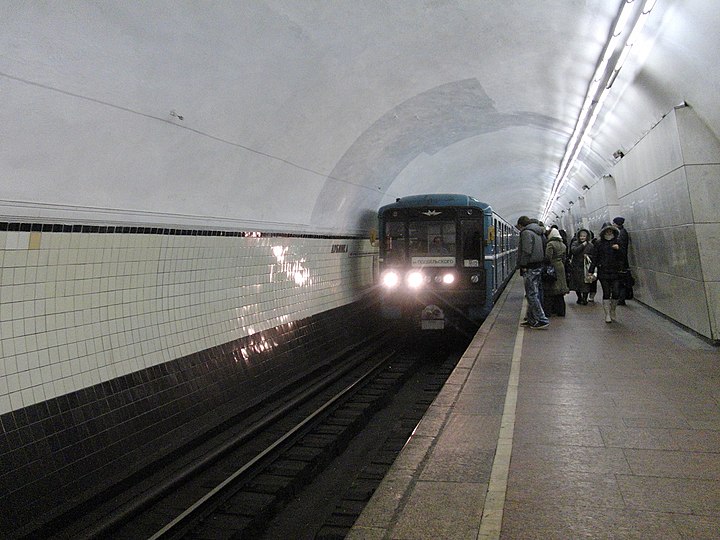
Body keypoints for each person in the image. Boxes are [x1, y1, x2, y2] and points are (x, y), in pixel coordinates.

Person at [516, 216, 550, 329]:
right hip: (538, 265)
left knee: (531, 294)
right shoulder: (538, 232)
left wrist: (523, 264)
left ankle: (541, 319)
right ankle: (531, 319)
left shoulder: (526, 233)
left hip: (530, 266)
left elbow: (526, 250)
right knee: (533, 293)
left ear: (521, 225)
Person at [587, 222, 625, 323]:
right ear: (603, 232)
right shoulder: (599, 243)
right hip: (603, 271)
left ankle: (613, 310)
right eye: (607, 231)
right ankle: (607, 314)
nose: (609, 232)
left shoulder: (617, 242)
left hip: (615, 271)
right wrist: (590, 271)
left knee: (616, 292)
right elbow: (595, 258)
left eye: (610, 231)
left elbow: (623, 256)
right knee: (606, 292)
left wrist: (619, 249)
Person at [544, 227, 570, 316]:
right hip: (560, 267)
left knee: (551, 290)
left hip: (553, 267)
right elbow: (564, 258)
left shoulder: (550, 244)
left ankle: (549, 311)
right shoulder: (563, 245)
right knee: (560, 291)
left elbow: (548, 257)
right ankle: (561, 311)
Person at [568, 229, 593, 305]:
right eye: (581, 236)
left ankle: (584, 298)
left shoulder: (591, 245)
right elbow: (574, 251)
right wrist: (582, 245)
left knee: (586, 283)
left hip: (586, 267)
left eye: (584, 236)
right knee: (577, 283)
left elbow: (594, 255)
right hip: (576, 266)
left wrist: (588, 257)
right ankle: (579, 297)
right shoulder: (575, 243)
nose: (582, 238)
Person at [612, 217, 632, 304]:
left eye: (614, 223)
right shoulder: (622, 232)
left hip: (621, 261)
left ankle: (622, 298)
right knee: (621, 279)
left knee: (621, 280)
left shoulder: (621, 234)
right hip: (622, 260)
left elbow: (621, 248)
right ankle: (621, 297)